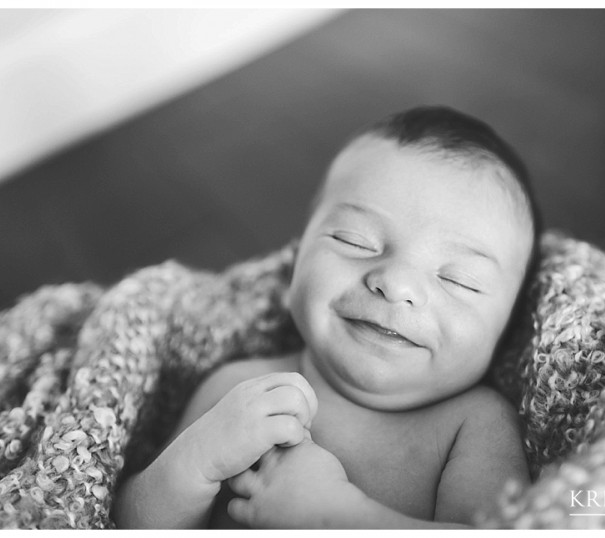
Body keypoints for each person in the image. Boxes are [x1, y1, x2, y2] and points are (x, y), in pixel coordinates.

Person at [113, 105, 541, 529]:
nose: (395, 284)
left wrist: (340, 516)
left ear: (510, 325)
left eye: (460, 280)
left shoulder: (475, 425)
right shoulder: (237, 391)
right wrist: (191, 466)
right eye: (354, 240)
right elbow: (128, 524)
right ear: (297, 256)